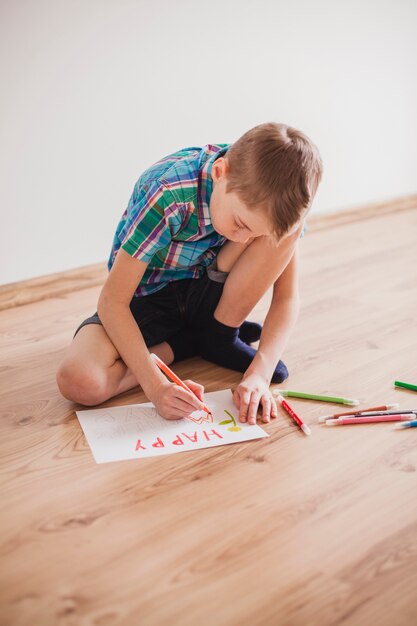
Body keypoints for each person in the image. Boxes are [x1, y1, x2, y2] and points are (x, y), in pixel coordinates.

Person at [56, 122, 323, 426]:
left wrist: (260, 374)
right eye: (240, 223)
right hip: (148, 301)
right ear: (220, 172)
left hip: (211, 293)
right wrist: (155, 386)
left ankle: (218, 334)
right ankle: (186, 344)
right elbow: (112, 302)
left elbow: (287, 298)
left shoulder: (274, 206)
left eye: (254, 235)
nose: (242, 240)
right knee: (78, 381)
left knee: (284, 235)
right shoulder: (167, 192)